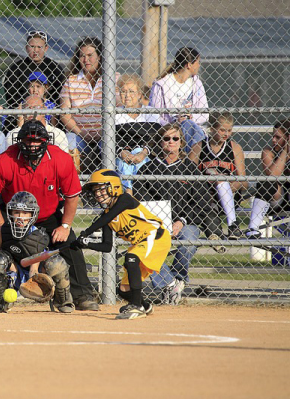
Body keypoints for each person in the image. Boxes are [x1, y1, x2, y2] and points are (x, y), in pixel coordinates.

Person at [0, 119, 99, 311]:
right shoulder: (7, 158)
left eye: (37, 141)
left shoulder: (60, 159)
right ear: (20, 142)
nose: (32, 145)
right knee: (0, 256)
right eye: (28, 141)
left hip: (47, 215)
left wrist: (65, 225)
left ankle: (82, 295)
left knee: (70, 245)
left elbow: (72, 195)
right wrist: (1, 225)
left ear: (46, 141)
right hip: (15, 217)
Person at [70, 169, 171, 319]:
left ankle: (136, 307)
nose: (97, 194)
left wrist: (87, 231)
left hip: (156, 235)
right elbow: (106, 246)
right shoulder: (106, 216)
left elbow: (108, 216)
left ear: (114, 186)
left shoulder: (125, 199)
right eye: (95, 191)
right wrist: (86, 243)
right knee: (124, 290)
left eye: (101, 189)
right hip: (139, 244)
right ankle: (144, 305)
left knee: (131, 258)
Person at [135, 123, 218, 305]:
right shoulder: (147, 170)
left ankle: (178, 280)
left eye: (175, 138)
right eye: (166, 138)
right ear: (160, 142)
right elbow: (142, 201)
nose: (171, 142)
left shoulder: (189, 168)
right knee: (146, 246)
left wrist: (181, 221)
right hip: (156, 223)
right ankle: (168, 284)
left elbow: (201, 202)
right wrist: (160, 222)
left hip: (186, 221)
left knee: (188, 241)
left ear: (181, 143)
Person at [0, 191, 74, 313]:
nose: (20, 216)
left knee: (57, 263)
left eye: (25, 213)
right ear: (10, 212)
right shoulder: (5, 229)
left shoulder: (38, 234)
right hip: (14, 269)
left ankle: (62, 300)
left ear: (33, 215)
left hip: (34, 268)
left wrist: (33, 274)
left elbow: (38, 256)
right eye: (16, 212)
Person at [60, 37, 120, 173]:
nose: (86, 60)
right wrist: (81, 132)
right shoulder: (71, 81)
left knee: (111, 143)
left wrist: (105, 130)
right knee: (70, 141)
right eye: (82, 56)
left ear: (99, 56)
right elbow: (65, 114)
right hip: (79, 133)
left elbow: (120, 106)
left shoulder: (112, 78)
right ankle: (74, 185)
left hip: (105, 133)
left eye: (90, 55)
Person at [189, 112, 247, 239]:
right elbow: (188, 178)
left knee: (221, 180)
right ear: (212, 129)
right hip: (205, 197)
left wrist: (225, 188)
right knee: (213, 226)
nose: (226, 134)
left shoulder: (235, 148)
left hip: (230, 196)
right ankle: (217, 234)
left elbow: (244, 182)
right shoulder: (199, 147)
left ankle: (232, 224)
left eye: (229, 130)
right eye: (222, 130)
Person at [149, 47, 209, 154]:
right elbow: (154, 116)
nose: (199, 65)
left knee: (188, 124)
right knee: (184, 126)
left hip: (193, 130)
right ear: (189, 65)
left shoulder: (197, 84)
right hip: (170, 131)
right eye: (198, 62)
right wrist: (175, 122)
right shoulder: (162, 84)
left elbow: (204, 114)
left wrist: (191, 117)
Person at [3, 30, 65, 132]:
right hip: (23, 111)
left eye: (39, 47)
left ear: (46, 48)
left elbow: (59, 95)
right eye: (32, 46)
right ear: (26, 47)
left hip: (48, 112)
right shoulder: (17, 68)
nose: (35, 50)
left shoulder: (54, 68)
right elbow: (10, 96)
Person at [115, 74, 161, 193]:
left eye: (131, 91)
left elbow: (154, 139)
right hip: (123, 155)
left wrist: (143, 153)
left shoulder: (151, 113)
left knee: (143, 164)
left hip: (145, 154)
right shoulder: (115, 114)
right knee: (124, 164)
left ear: (140, 94)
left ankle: (138, 195)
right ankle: (129, 194)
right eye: (123, 91)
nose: (127, 95)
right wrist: (122, 152)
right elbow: (112, 140)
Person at [246, 119, 290, 238]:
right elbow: (273, 175)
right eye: (273, 136)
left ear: (288, 137)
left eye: (277, 137)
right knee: (266, 183)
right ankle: (253, 228)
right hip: (280, 198)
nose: (273, 140)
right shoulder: (268, 152)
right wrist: (285, 151)